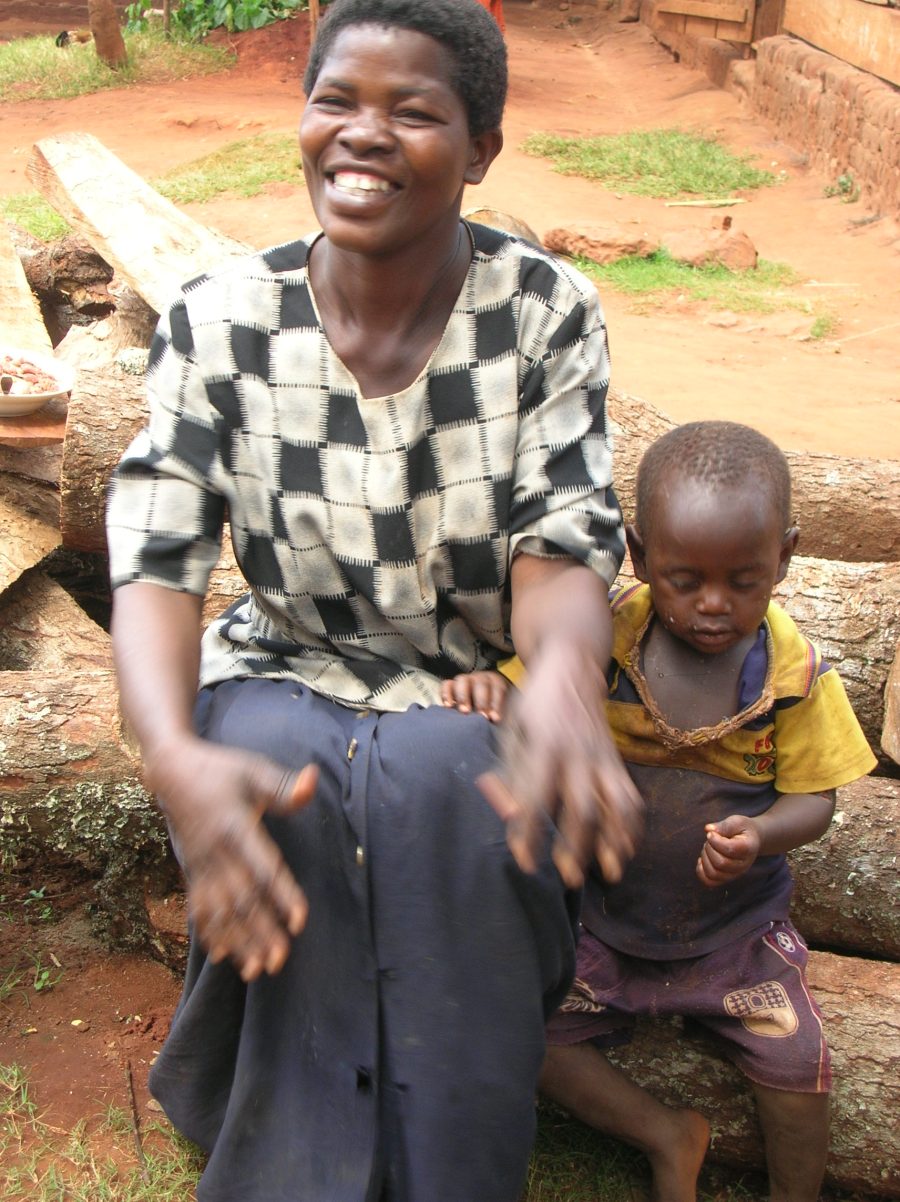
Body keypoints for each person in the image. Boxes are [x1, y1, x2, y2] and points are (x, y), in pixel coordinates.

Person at [104, 0, 643, 1198]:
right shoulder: (218, 320)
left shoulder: (543, 312)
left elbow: (562, 539)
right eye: (336, 100)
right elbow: (156, 554)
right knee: (280, 775)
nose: (363, 133)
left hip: (471, 679)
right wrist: (169, 750)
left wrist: (563, 678)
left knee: (452, 786)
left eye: (414, 111)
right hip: (285, 659)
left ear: (482, 150)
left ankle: (447, 1160)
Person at [444, 421, 877, 1202]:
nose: (714, 604)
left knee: (798, 1063)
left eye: (744, 582)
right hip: (602, 924)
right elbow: (529, 695)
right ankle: (665, 1132)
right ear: (640, 556)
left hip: (736, 937)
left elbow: (817, 799)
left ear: (785, 557)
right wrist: (490, 692)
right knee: (531, 1034)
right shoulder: (605, 639)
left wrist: (761, 834)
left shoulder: (793, 677)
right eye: (685, 581)